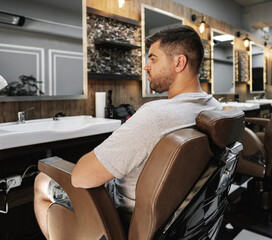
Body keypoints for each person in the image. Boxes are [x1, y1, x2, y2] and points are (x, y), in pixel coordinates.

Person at [33, 25, 222, 239]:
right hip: (181, 220)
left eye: (153, 58)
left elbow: (81, 178)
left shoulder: (156, 115)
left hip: (122, 217)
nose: (145, 67)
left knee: (41, 180)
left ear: (179, 62)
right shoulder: (214, 107)